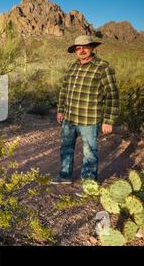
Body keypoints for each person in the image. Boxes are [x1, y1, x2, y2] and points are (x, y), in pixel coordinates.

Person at [52, 35, 120, 185]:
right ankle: (64, 176)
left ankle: (89, 184)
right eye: (78, 48)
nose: (82, 50)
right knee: (66, 148)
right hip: (69, 118)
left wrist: (108, 120)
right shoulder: (72, 67)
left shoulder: (103, 67)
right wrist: (60, 110)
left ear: (92, 48)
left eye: (85, 47)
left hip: (89, 119)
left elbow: (112, 96)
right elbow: (64, 90)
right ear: (75, 51)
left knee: (89, 153)